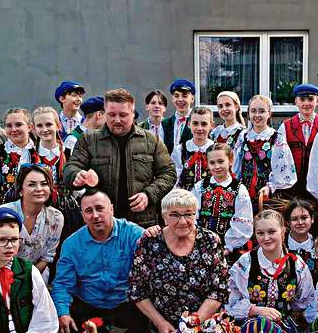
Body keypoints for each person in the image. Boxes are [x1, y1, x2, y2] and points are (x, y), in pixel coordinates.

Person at [226, 210, 316, 333]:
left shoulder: (296, 264)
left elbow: (305, 300)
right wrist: (255, 310)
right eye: (260, 233)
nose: (266, 238)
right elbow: (230, 301)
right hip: (249, 326)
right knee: (256, 326)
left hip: (285, 327)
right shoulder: (245, 263)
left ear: (283, 230)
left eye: (271, 232)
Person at [128, 189, 229, 333]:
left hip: (205, 327)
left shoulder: (210, 240)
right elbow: (137, 290)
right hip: (165, 331)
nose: (182, 221)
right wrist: (160, 323)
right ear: (164, 216)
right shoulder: (149, 242)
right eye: (174, 215)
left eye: (188, 214)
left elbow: (220, 289)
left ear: (196, 215)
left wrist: (193, 324)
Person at [64, 88, 176, 228]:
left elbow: (168, 173)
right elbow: (70, 167)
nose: (117, 120)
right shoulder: (89, 140)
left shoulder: (151, 140)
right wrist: (76, 175)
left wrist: (148, 194)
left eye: (123, 115)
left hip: (142, 223)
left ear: (133, 113)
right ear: (104, 113)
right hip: (102, 223)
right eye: (111, 115)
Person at [51, 189, 147, 333]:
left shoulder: (133, 234)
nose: (95, 215)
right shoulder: (71, 244)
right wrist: (62, 313)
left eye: (100, 208)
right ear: (82, 215)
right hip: (88, 303)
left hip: (126, 301)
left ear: (112, 209)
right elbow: (62, 284)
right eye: (89, 211)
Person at [0, 165, 64, 282]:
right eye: (32, 184)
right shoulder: (4, 214)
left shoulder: (56, 218)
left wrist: (26, 280)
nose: (39, 189)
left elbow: (47, 257)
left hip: (36, 275)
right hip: (2, 275)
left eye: (44, 184)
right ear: (20, 190)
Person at [234, 94, 297, 213]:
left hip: (268, 196)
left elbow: (284, 170)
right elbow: (235, 167)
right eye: (253, 111)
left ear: (269, 114)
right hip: (244, 193)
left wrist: (270, 187)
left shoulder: (277, 139)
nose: (257, 115)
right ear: (248, 114)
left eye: (262, 111)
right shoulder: (243, 137)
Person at [191, 143, 253, 257]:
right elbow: (192, 213)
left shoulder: (239, 189)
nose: (217, 166)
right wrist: (196, 238)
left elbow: (243, 220)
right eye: (212, 163)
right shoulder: (200, 186)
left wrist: (229, 246)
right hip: (200, 242)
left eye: (221, 161)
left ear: (230, 161)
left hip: (227, 248)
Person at [0, 108, 40, 205]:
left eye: (18, 124)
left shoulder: (40, 151)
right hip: (5, 211)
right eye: (9, 126)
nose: (13, 129)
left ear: (30, 127)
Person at [278, 83, 318, 201]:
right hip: (291, 189)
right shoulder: (285, 126)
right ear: (296, 102)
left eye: (310, 99)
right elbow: (280, 159)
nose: (306, 103)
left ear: (317, 101)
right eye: (302, 99)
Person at [31, 106, 69, 208]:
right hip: (37, 206)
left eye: (49, 124)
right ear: (34, 129)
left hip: (65, 206)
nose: (44, 129)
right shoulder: (30, 154)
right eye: (39, 126)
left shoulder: (68, 152)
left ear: (58, 125)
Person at [171, 106, 215, 190]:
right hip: (186, 196)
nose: (199, 128)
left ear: (212, 125)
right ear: (189, 124)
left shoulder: (216, 149)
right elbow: (175, 179)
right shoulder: (180, 150)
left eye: (204, 124)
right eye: (195, 123)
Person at [285, 198, 318, 282]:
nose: (300, 222)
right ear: (288, 223)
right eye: (294, 219)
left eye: (304, 218)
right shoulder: (281, 245)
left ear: (312, 219)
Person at [161, 79, 195, 154]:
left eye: (184, 96)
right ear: (172, 99)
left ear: (192, 99)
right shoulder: (164, 124)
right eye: (176, 96)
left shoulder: (198, 122)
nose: (180, 99)